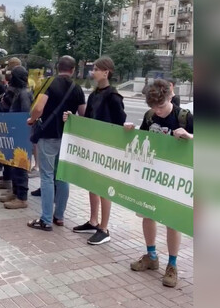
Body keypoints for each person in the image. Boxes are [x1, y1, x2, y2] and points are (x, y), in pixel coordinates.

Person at [126, 79, 193, 287]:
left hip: (174, 179)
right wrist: (131, 131)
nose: (158, 111)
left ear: (170, 97)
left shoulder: (184, 117)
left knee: (172, 221)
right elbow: (143, 142)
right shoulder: (149, 116)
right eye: (154, 107)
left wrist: (190, 136)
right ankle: (151, 255)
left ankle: (172, 265)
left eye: (161, 106)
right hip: (151, 176)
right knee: (147, 213)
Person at [67, 57, 126, 245]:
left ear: (106, 72)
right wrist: (72, 118)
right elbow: (88, 119)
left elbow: (120, 124)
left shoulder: (113, 96)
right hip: (94, 148)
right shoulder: (94, 95)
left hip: (106, 150)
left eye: (96, 69)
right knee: (92, 184)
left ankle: (104, 228)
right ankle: (93, 221)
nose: (93, 73)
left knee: (104, 188)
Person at [26, 56, 86, 231]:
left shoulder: (49, 84)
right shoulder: (77, 88)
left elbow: (38, 108)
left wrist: (32, 120)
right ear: (73, 70)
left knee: (47, 176)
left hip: (48, 135)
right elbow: (83, 114)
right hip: (66, 137)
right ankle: (59, 216)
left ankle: (45, 220)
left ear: (58, 67)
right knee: (62, 177)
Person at [0, 66, 33, 209]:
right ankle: (16, 192)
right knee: (14, 163)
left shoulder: (24, 93)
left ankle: (22, 197)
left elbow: (24, 114)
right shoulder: (18, 92)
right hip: (15, 131)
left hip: (20, 133)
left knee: (20, 165)